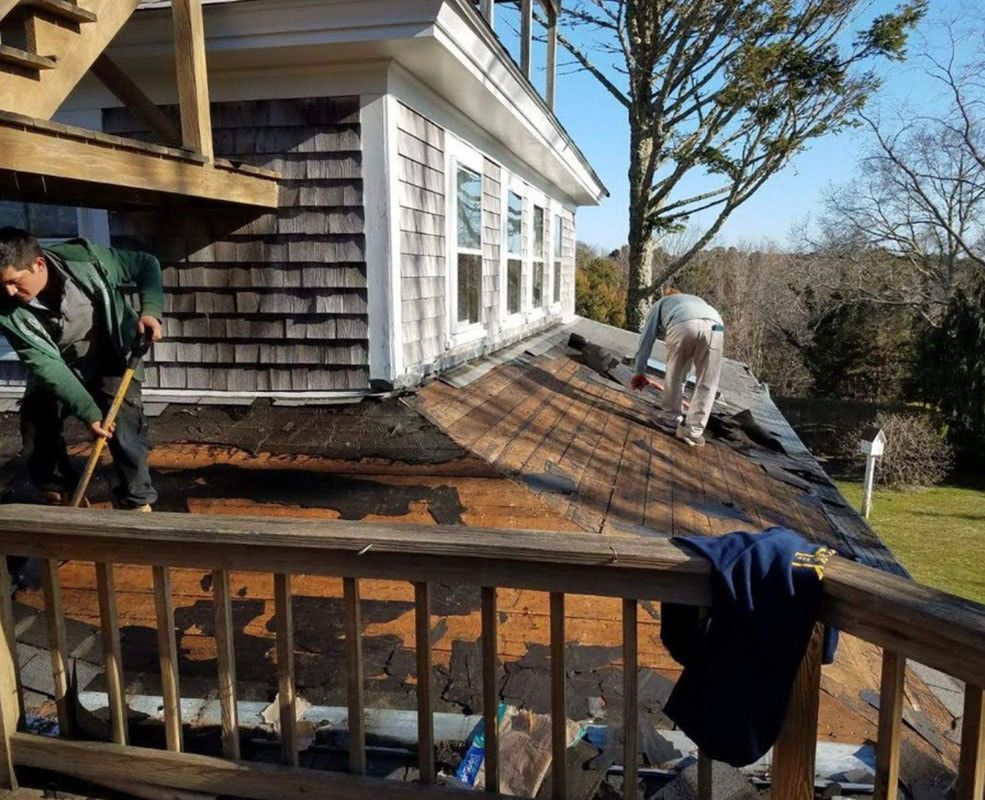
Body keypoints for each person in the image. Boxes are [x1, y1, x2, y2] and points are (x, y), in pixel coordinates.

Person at [0, 227, 163, 510]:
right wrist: (90, 412)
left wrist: (150, 310)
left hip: (111, 354)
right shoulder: (5, 307)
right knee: (37, 423)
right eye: (1, 284)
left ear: (38, 264)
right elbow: (47, 365)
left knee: (124, 426)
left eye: (14, 281)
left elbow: (146, 264)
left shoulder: (87, 261)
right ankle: (60, 490)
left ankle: (136, 501)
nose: (9, 291)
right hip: (58, 362)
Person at [631, 285, 724, 447]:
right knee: (708, 380)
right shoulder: (697, 300)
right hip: (717, 326)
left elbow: (646, 339)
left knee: (674, 373)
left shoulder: (661, 303)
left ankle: (670, 420)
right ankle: (694, 432)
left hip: (684, 323)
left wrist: (639, 372)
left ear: (667, 295)